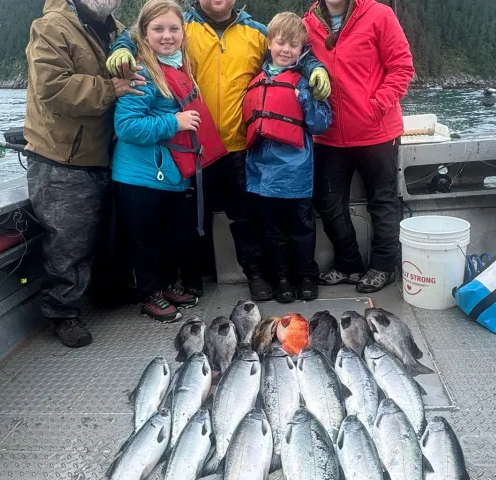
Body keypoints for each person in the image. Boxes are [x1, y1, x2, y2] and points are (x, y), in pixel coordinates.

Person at [106, 0, 332, 302]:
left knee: (245, 218)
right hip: (193, 145)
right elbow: (140, 33)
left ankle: (257, 274)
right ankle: (189, 280)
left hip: (239, 144)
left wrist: (316, 68)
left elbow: (290, 51)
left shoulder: (257, 33)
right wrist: (121, 47)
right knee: (188, 219)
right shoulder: (181, 26)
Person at [23, 0, 144, 348]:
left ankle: (108, 291)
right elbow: (53, 88)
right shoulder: (51, 27)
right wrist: (112, 88)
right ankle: (62, 313)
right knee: (68, 239)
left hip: (107, 152)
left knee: (106, 231)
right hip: (62, 155)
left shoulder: (117, 32)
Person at [111, 0, 227, 322]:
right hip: (139, 176)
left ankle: (165, 286)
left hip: (171, 174)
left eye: (173, 28)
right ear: (143, 33)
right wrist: (173, 122)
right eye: (158, 29)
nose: (167, 36)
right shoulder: (141, 73)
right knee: (145, 240)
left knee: (171, 236)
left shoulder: (180, 68)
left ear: (183, 32)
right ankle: (149, 294)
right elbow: (126, 127)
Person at [304, 0, 414, 293]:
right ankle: (348, 264)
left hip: (376, 132)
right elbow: (299, 61)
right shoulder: (309, 21)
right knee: (327, 202)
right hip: (328, 135)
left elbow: (402, 68)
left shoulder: (379, 14)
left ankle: (383, 266)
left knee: (383, 200)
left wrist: (376, 107)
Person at [243, 12, 331, 303]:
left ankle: (306, 275)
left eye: (293, 45)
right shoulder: (255, 80)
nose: (285, 50)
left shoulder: (307, 81)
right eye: (281, 43)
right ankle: (281, 278)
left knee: (302, 230)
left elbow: (320, 124)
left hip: (296, 173)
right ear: (269, 43)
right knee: (272, 232)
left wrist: (305, 96)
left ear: (302, 49)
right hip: (261, 173)